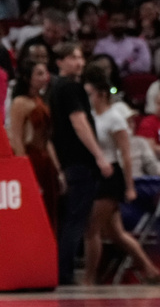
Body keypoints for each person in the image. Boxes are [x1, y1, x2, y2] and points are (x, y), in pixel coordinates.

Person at [81, 65, 160, 285]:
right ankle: (150, 270)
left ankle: (88, 278)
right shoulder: (90, 116)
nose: (87, 98)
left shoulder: (114, 118)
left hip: (110, 176)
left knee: (92, 229)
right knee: (116, 233)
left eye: (89, 94)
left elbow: (125, 154)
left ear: (101, 94)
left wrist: (129, 186)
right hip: (97, 173)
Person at [48, 43, 112, 285]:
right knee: (76, 219)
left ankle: (62, 268)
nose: (80, 62)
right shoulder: (72, 88)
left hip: (67, 161)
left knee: (70, 218)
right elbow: (79, 122)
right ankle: (63, 272)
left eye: (81, 57)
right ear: (61, 62)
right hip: (79, 161)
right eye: (73, 57)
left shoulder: (55, 88)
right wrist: (98, 155)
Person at [7, 57, 62, 233]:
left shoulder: (40, 101)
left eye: (45, 73)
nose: (45, 77)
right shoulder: (20, 103)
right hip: (32, 160)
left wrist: (57, 169)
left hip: (46, 161)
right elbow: (16, 138)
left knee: (50, 211)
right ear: (27, 77)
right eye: (39, 73)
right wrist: (24, 171)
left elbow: (47, 140)